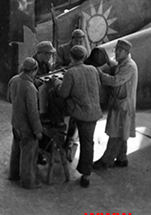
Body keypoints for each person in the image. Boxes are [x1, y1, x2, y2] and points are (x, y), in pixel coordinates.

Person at [59, 45, 102, 188]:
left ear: (71, 57)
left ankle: (86, 175)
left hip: (82, 114)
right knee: (87, 140)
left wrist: (56, 82)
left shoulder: (71, 73)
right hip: (94, 111)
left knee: (87, 143)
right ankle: (69, 144)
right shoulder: (93, 69)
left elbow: (63, 93)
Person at [94, 38, 138, 169]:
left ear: (126, 52)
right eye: (116, 50)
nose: (117, 53)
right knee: (122, 132)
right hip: (121, 103)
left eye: (119, 51)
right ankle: (121, 158)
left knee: (116, 134)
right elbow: (116, 67)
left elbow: (115, 81)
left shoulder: (129, 66)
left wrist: (99, 74)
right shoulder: (123, 63)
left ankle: (106, 161)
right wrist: (109, 62)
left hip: (123, 105)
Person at [6, 57, 43, 189]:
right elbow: (33, 113)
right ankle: (27, 182)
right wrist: (38, 130)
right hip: (27, 127)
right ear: (34, 71)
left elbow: (9, 98)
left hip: (15, 122)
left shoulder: (14, 79)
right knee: (28, 154)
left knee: (16, 150)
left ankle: (14, 175)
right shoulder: (30, 88)